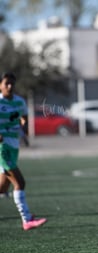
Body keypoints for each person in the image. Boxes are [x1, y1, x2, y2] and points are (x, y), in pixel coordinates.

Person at [0, 72, 47, 230]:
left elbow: (24, 117)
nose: (10, 86)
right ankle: (27, 219)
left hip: (13, 146)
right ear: (0, 85)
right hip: (2, 148)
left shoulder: (19, 102)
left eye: (12, 83)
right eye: (6, 83)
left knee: (2, 187)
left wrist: (24, 127)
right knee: (19, 182)